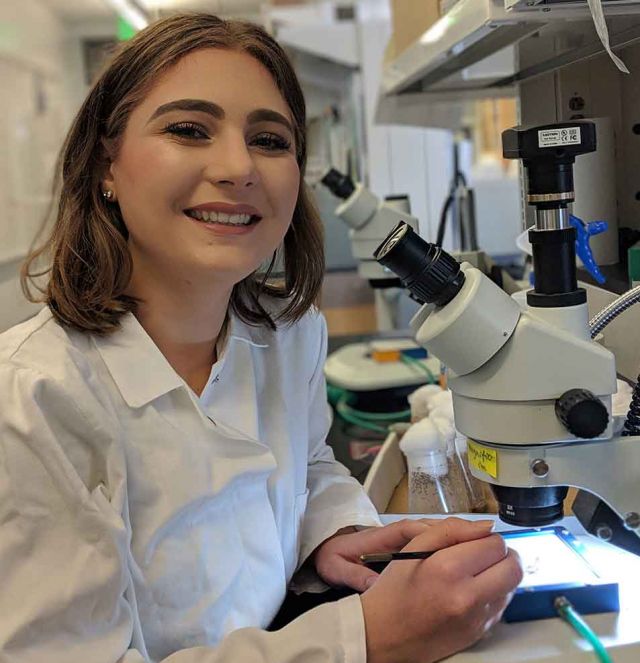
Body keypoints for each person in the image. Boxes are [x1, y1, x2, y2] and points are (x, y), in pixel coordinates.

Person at [0, 13, 522, 663]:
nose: (238, 165)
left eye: (270, 139)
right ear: (106, 163)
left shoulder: (290, 335)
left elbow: (308, 465)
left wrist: (333, 531)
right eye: (188, 129)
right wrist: (366, 637)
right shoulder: (32, 400)